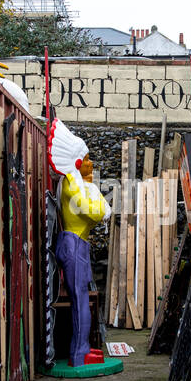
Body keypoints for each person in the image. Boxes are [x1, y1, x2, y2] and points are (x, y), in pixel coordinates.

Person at [56, 156, 111, 367]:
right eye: (86, 158)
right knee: (80, 302)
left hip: (78, 243)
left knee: (81, 300)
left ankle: (83, 347)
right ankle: (79, 353)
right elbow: (94, 212)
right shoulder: (71, 182)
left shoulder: (75, 183)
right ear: (76, 161)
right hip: (74, 243)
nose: (91, 163)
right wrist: (99, 202)